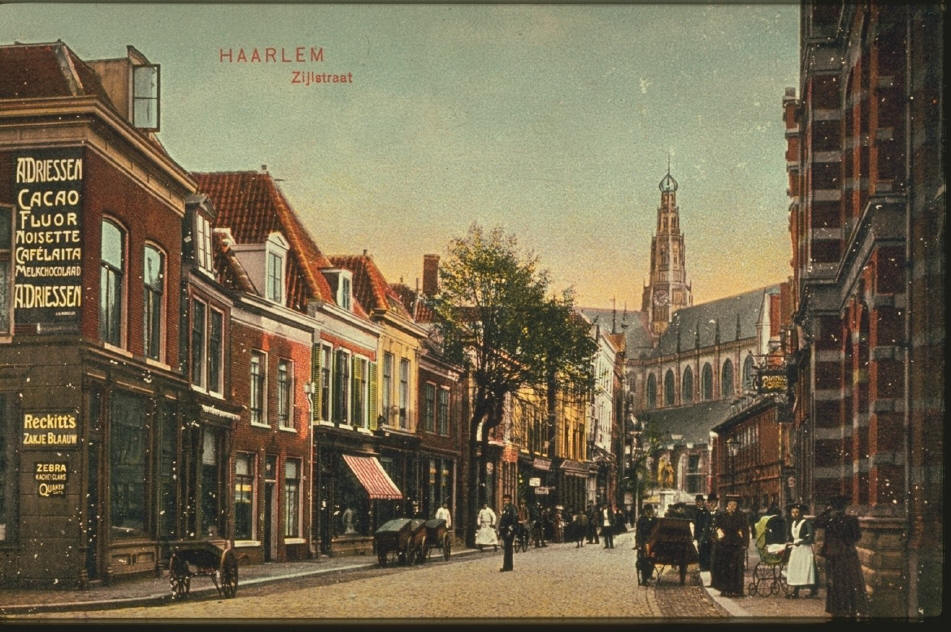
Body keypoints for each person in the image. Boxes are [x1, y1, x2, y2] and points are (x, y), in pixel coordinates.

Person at [815, 495, 869, 617]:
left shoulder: (829, 519)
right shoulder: (852, 520)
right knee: (851, 582)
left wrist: (828, 511)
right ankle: (851, 607)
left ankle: (837, 608)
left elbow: (816, 521)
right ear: (845, 507)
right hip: (848, 554)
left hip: (832, 555)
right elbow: (857, 536)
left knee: (834, 582)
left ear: (832, 506)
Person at [713, 495, 749, 597]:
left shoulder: (741, 516)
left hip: (737, 544)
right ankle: (726, 589)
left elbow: (745, 530)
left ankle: (737, 590)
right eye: (730, 505)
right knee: (725, 567)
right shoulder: (722, 516)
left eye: (734, 505)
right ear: (727, 505)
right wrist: (719, 538)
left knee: (737, 568)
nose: (732, 507)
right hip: (725, 544)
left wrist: (745, 543)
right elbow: (717, 528)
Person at [785, 503, 818, 599]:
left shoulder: (806, 523)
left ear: (801, 513)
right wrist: (790, 541)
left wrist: (802, 542)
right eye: (793, 512)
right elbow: (792, 536)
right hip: (796, 549)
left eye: (797, 512)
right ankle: (796, 591)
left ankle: (811, 590)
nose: (795, 514)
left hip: (804, 549)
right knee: (795, 568)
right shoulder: (793, 523)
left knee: (805, 568)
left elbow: (811, 537)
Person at [635, 504, 658, 585]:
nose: (649, 512)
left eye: (650, 510)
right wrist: (638, 544)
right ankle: (644, 579)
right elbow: (638, 532)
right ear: (645, 511)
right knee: (643, 561)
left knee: (652, 560)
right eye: (647, 510)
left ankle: (649, 575)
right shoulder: (641, 520)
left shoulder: (655, 520)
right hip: (644, 542)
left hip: (653, 543)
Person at [704, 493, 722, 587]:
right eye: (710, 502)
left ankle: (716, 582)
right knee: (710, 562)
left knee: (716, 561)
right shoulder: (707, 514)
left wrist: (718, 538)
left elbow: (720, 528)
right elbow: (706, 527)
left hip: (717, 541)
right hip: (709, 540)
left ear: (716, 503)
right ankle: (712, 581)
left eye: (713, 502)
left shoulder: (720, 513)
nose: (711, 504)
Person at [498, 494, 518, 572]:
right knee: (507, 548)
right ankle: (508, 565)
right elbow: (502, 519)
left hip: (509, 530)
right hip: (504, 530)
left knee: (508, 548)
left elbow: (514, 520)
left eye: (506, 500)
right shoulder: (505, 508)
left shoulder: (512, 508)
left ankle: (507, 566)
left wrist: (510, 530)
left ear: (510, 500)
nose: (505, 501)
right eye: (504, 500)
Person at [692, 494, 712, 571]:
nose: (698, 503)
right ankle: (701, 565)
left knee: (704, 550)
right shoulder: (696, 511)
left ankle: (704, 566)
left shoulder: (705, 512)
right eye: (697, 501)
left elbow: (706, 525)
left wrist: (702, 536)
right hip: (697, 534)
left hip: (704, 535)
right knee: (700, 550)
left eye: (700, 501)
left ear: (703, 502)